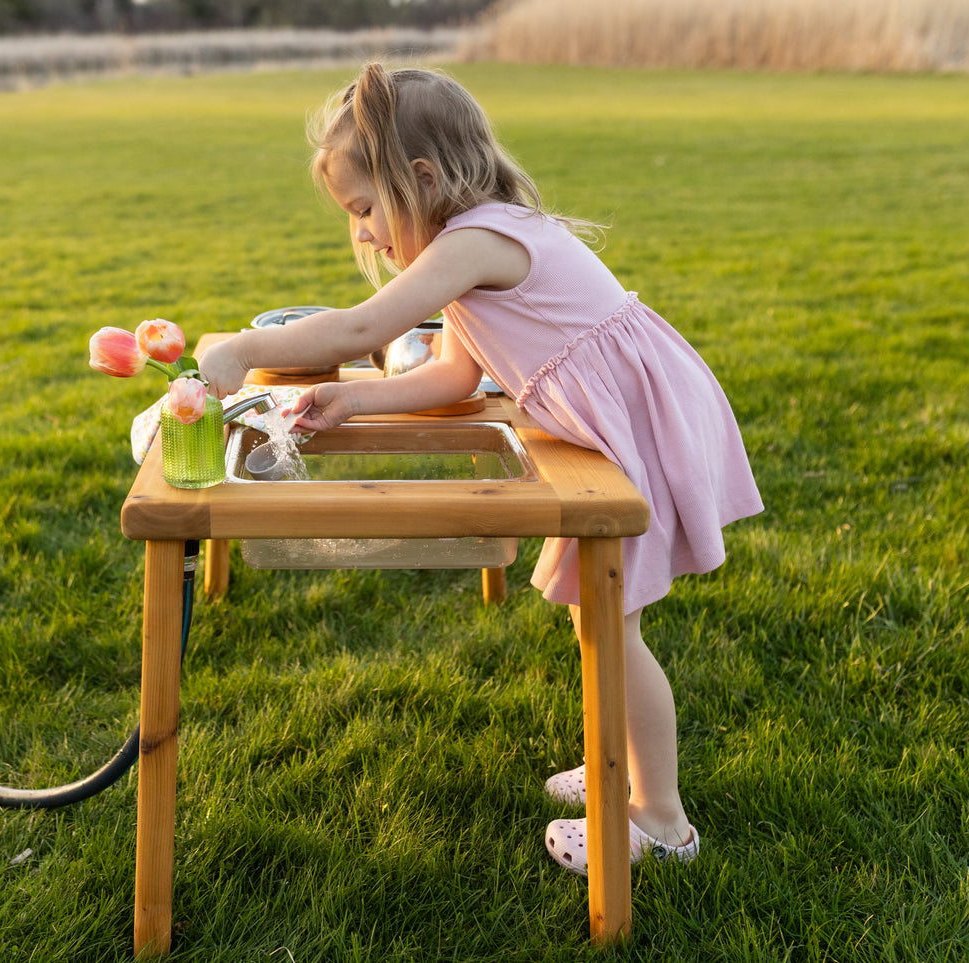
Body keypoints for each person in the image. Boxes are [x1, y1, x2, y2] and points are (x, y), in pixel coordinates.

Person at [198, 63, 763, 874]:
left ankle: (659, 819)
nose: (360, 232)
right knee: (598, 620)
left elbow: (359, 325)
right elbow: (454, 376)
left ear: (420, 179)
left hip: (634, 426)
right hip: (616, 421)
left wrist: (241, 350)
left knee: (615, 623)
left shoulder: (475, 242)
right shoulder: (475, 240)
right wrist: (352, 403)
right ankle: (623, 763)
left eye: (364, 208)